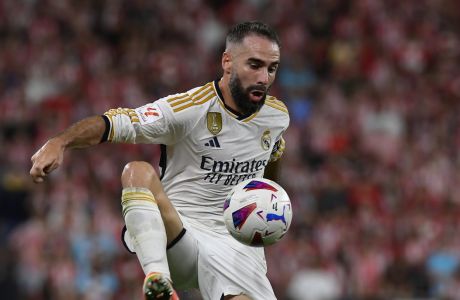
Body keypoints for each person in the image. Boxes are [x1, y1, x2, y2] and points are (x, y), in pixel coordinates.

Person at [30, 21, 289, 300]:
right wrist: (60, 141)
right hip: (179, 236)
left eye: (271, 68)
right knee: (136, 172)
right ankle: (158, 281)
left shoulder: (276, 117)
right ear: (227, 61)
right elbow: (114, 123)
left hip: (235, 245)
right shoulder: (190, 109)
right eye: (254, 65)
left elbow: (271, 160)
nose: (264, 77)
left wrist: (270, 201)